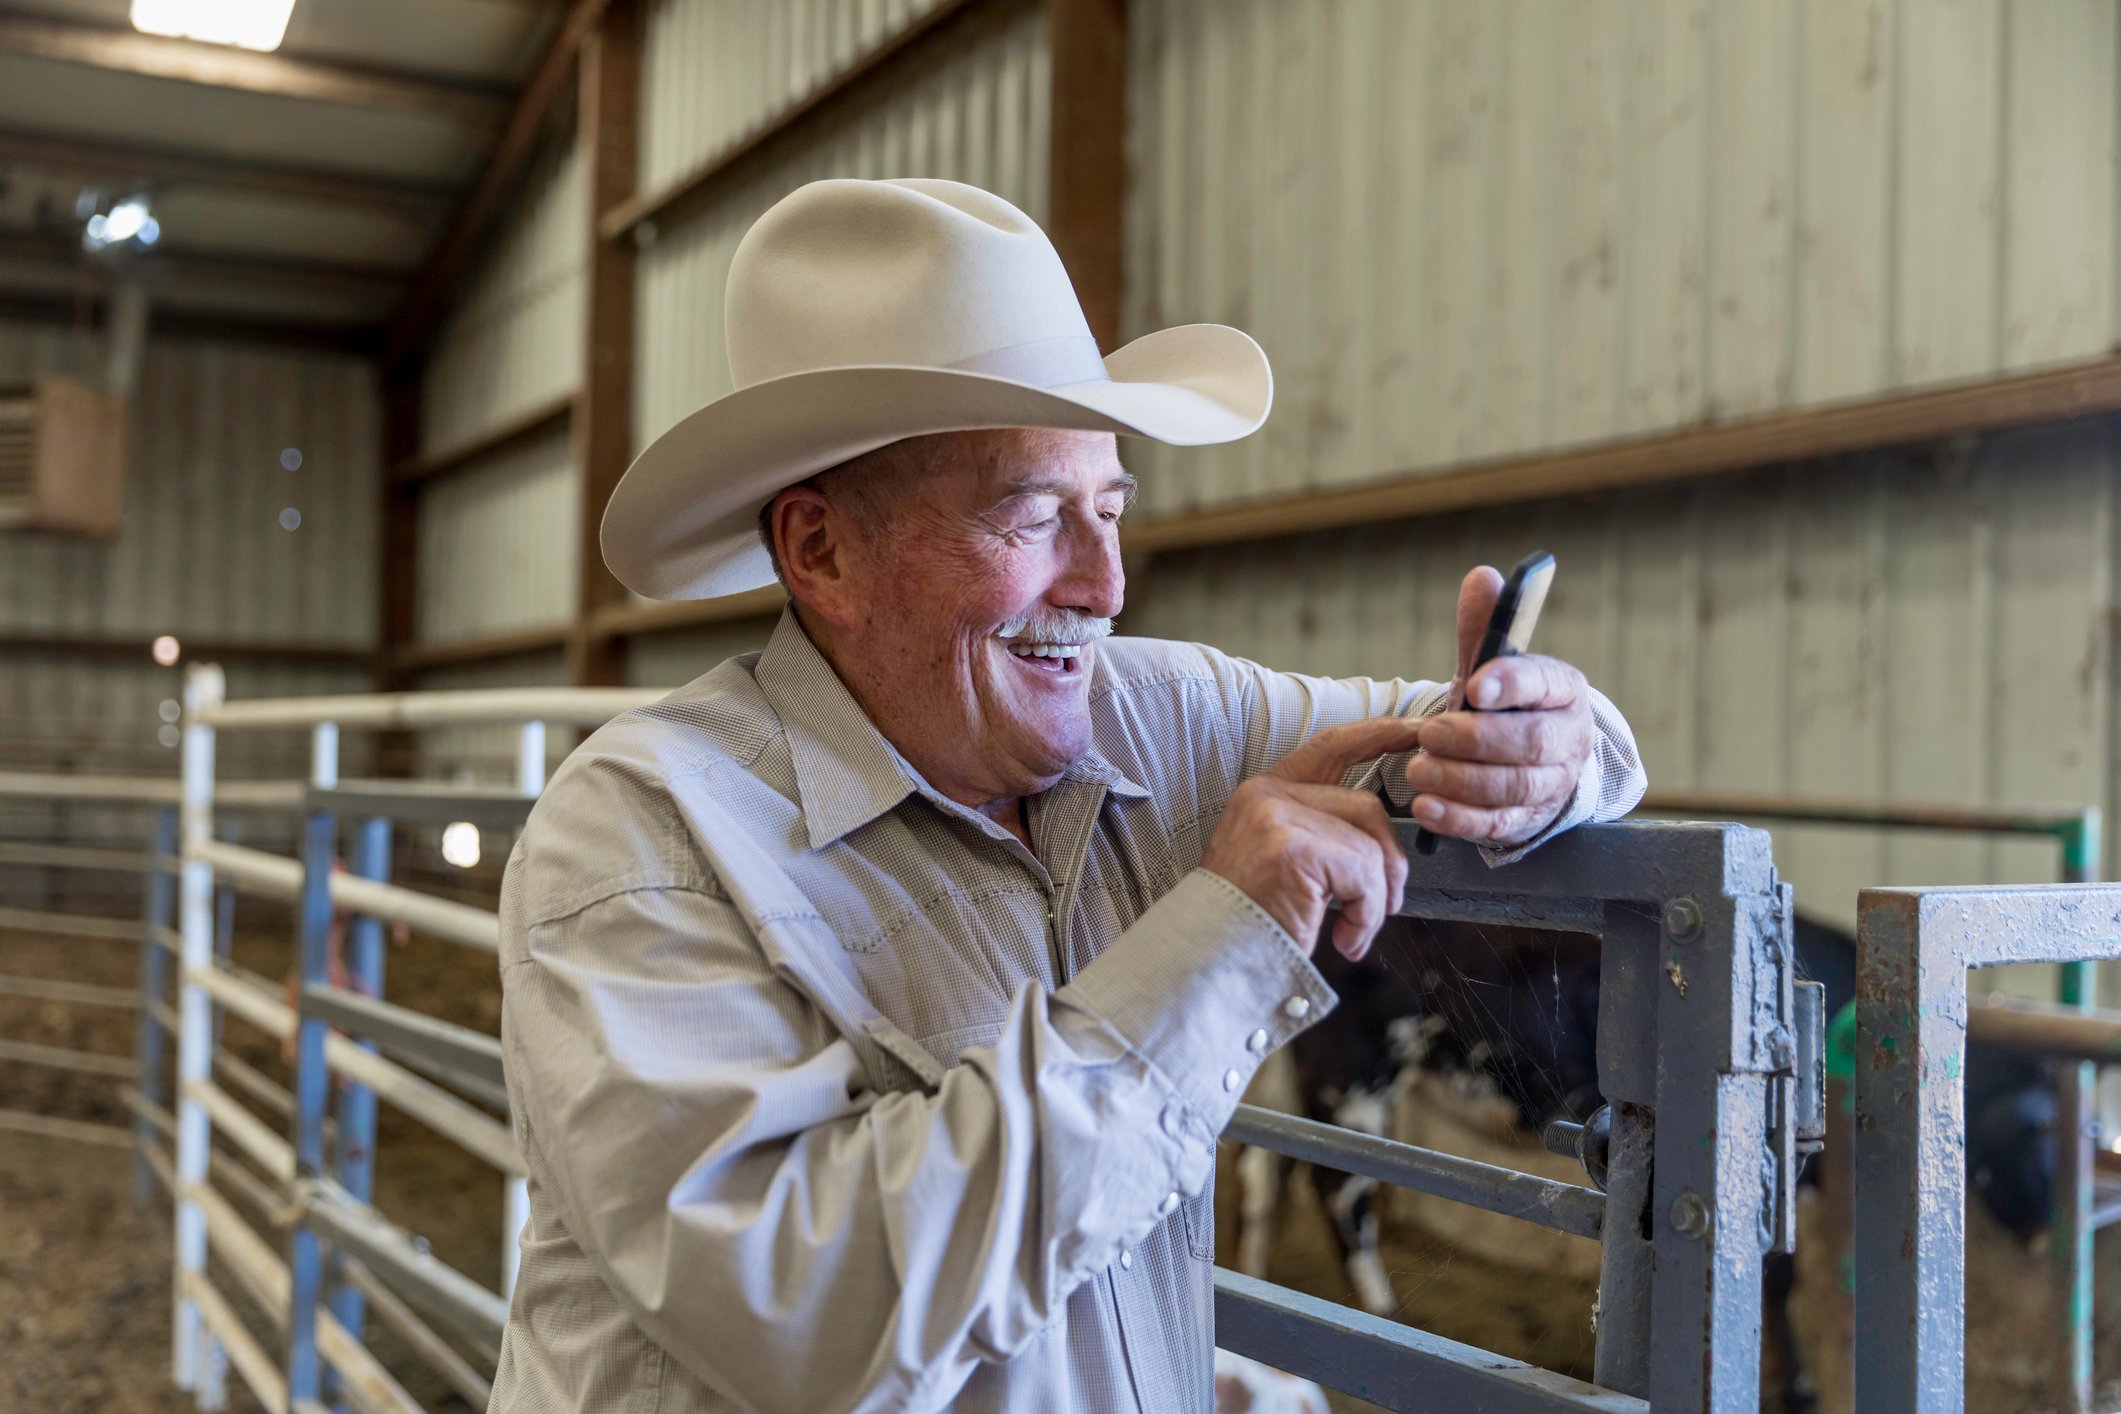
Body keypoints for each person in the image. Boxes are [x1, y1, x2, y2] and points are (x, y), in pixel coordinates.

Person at [490, 178, 1646, 1414]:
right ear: (822, 551)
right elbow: (812, 1319)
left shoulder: (1157, 713)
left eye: (1110, 509)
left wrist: (1534, 749)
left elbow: (1540, 738)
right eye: (1034, 517)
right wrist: (1223, 936)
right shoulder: (644, 837)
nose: (1104, 584)